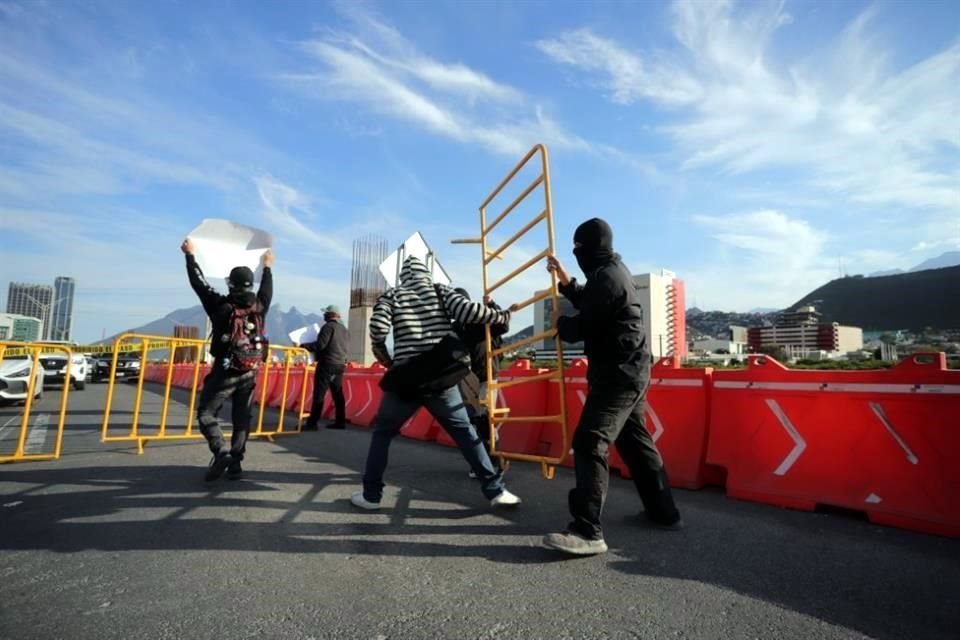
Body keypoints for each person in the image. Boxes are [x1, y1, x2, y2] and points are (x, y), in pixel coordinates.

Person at [541, 218, 682, 556]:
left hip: (619, 374)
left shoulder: (608, 278)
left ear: (590, 247)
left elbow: (582, 326)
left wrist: (559, 323)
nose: (576, 254)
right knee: (634, 442)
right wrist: (563, 277)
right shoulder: (610, 271)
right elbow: (587, 298)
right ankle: (663, 512)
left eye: (578, 249)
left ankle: (588, 530)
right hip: (629, 370)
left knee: (590, 440)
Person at [350, 256, 522, 511]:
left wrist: (386, 357)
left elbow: (377, 327)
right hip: (440, 376)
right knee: (465, 432)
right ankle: (496, 491)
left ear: (403, 276)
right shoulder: (439, 290)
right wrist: (502, 314)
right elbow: (468, 311)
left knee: (383, 435)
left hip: (406, 379)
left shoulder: (393, 295)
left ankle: (371, 496)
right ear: (427, 274)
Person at [181, 238, 273, 482]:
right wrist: (267, 266)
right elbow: (267, 288)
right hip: (251, 370)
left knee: (206, 414)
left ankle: (221, 451)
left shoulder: (221, 305)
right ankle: (235, 465)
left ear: (230, 284)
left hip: (225, 370)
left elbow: (198, 284)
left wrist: (190, 256)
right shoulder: (260, 306)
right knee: (242, 419)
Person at [450, 288, 509, 478]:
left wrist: (491, 305)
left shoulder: (480, 317)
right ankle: (484, 462)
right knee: (476, 420)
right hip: (468, 378)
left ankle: (494, 463)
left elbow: (502, 324)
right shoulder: (456, 327)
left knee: (485, 419)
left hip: (486, 374)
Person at [300, 305, 350, 431]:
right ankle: (340, 422)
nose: (323, 315)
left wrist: (303, 345)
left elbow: (320, 345)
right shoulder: (344, 329)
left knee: (319, 394)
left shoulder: (328, 327)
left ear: (331, 314)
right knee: (338, 394)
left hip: (326, 365)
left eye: (325, 313)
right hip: (340, 365)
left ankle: (312, 424)